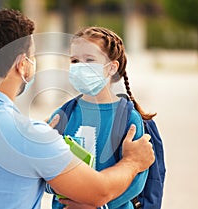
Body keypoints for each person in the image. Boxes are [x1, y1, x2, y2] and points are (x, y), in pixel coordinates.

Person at [0, 9, 154, 209]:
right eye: (33, 56)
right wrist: (133, 162)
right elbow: (99, 192)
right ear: (22, 64)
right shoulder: (30, 136)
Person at [47, 27, 157, 209]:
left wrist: (97, 204)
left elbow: (137, 179)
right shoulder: (62, 115)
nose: (80, 66)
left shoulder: (128, 118)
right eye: (75, 61)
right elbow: (46, 171)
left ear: (111, 68)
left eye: (89, 60)